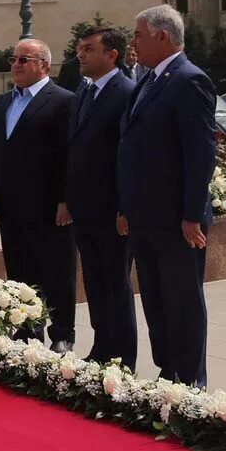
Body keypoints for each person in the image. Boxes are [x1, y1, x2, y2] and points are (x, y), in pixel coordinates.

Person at [118, 5, 216, 387]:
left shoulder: (189, 79)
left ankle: (192, 381)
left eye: (138, 35)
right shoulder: (148, 80)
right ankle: (168, 371)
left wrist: (191, 213)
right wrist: (126, 207)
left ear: (162, 36)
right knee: (156, 301)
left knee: (182, 301)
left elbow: (200, 152)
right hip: (145, 217)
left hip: (177, 219)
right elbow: (132, 148)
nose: (133, 43)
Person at [0, 39, 76, 351]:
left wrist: (66, 200)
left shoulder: (63, 101)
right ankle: (27, 330)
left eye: (25, 59)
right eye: (14, 59)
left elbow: (69, 155)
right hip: (11, 206)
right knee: (20, 272)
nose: (16, 65)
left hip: (50, 207)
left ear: (44, 66)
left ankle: (62, 334)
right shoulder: (5, 101)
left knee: (57, 272)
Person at [66, 26, 137, 368]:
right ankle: (102, 345)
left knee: (116, 282)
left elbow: (129, 155)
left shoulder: (126, 92)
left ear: (112, 55)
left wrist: (125, 206)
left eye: (89, 49)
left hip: (113, 209)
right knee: (94, 279)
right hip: (85, 207)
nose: (81, 54)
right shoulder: (84, 90)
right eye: (80, 48)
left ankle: (124, 354)